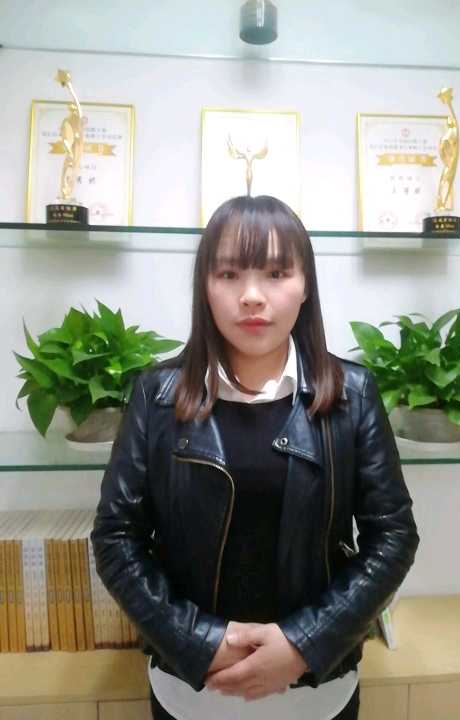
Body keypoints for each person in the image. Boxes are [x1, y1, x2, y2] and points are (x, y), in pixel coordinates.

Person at [91, 194, 420, 720]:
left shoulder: (353, 394)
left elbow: (393, 537)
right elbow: (116, 539)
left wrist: (303, 643)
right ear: (205, 286)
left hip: (318, 693)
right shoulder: (156, 395)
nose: (251, 296)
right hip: (189, 692)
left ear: (305, 285)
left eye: (275, 273)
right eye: (228, 274)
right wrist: (200, 641)